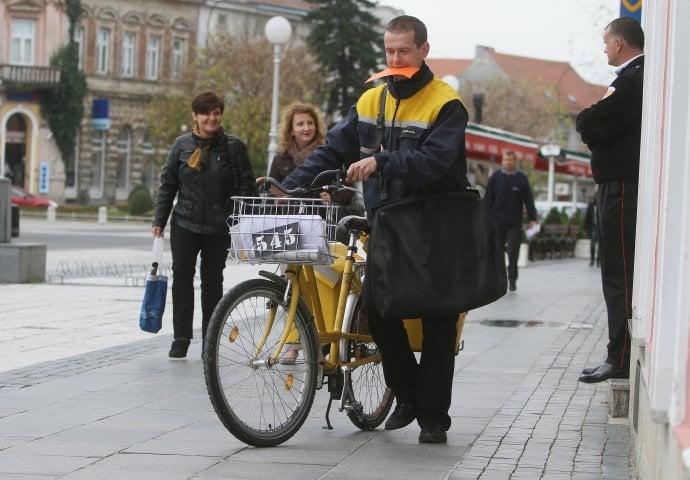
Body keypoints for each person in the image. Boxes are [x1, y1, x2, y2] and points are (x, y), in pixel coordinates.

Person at [278, 15, 469, 444]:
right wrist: (290, 187)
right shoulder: (371, 99)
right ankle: (406, 392)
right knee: (379, 311)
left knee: (438, 322)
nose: (396, 58)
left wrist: (382, 161)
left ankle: (433, 419)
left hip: (435, 225)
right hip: (388, 223)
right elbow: (332, 148)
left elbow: (435, 163)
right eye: (390, 51)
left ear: (423, 50)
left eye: (404, 50)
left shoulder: (446, 103)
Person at [152, 91, 256, 359]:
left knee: (213, 282)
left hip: (219, 227)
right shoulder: (181, 146)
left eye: (216, 112)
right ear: (195, 116)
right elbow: (168, 185)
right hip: (184, 223)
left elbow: (246, 187)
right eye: (206, 113)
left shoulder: (234, 147)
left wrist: (237, 219)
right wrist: (159, 220)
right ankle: (181, 338)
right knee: (182, 278)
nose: (212, 117)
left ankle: (210, 339)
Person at [576, 17, 644, 383]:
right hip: (620, 184)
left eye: (606, 43)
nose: (604, 49)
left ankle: (618, 355)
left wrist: (587, 116)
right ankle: (618, 351)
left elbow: (590, 123)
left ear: (619, 44)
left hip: (621, 186)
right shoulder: (633, 78)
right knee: (619, 272)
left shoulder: (632, 81)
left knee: (618, 274)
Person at [484, 150, 537, 292]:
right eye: (506, 160)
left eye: (511, 160)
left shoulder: (522, 179)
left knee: (513, 251)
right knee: (498, 251)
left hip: (515, 222)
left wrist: (532, 218)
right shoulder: (495, 178)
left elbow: (528, 199)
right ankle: (500, 280)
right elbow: (488, 199)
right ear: (502, 161)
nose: (508, 162)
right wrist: (485, 218)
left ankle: (512, 279)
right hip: (497, 221)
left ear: (515, 161)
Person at [583, 195, 599, 267]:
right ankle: (592, 260)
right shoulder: (591, 205)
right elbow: (587, 217)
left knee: (600, 245)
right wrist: (585, 228)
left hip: (600, 228)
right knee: (592, 244)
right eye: (595, 197)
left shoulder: (601, 204)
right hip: (593, 227)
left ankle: (599, 260)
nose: (596, 198)